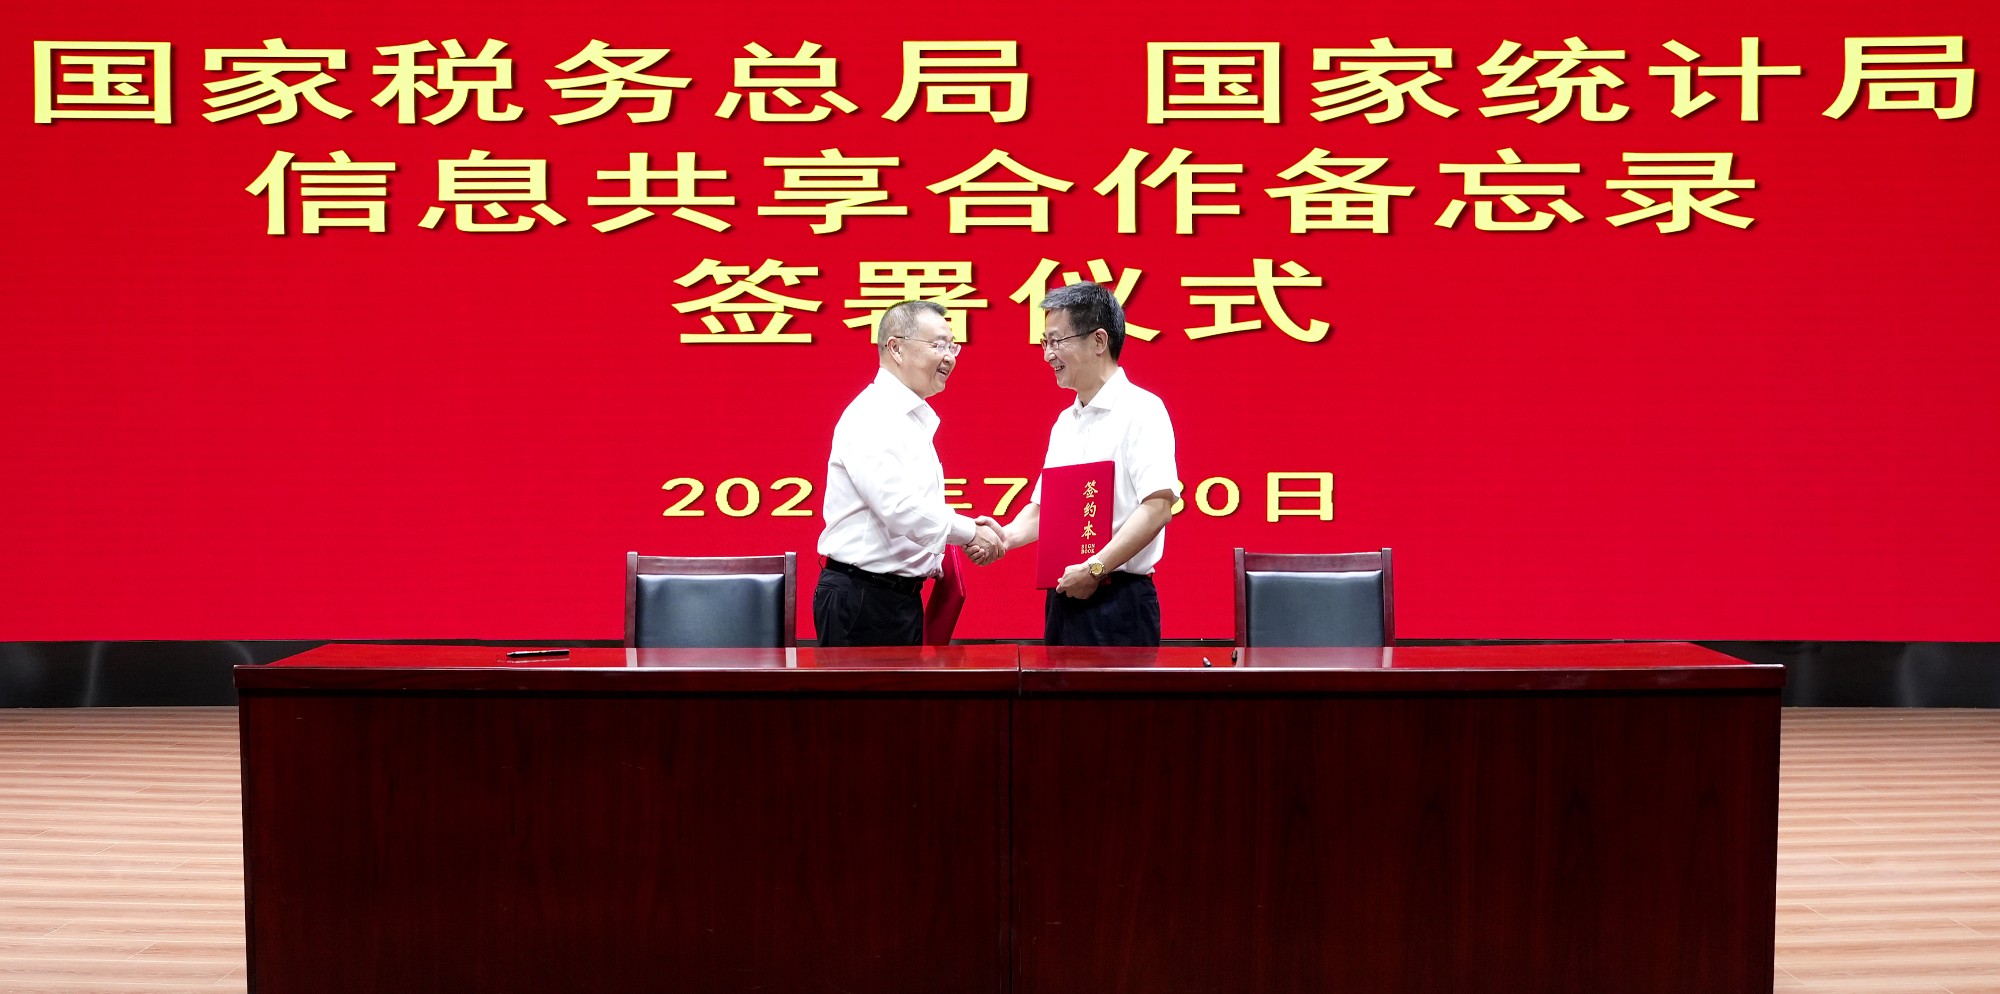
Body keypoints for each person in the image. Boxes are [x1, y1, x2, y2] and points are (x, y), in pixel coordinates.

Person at [987, 282, 1180, 646]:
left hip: (1119, 600)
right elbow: (1046, 510)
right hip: (1065, 595)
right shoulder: (1065, 422)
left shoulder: (1142, 410)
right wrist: (1004, 538)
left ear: (1098, 341)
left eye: (1057, 341)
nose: (1048, 355)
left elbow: (1157, 508)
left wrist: (1095, 567)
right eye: (1045, 342)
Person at [815, 300, 1006, 646]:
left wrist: (954, 543)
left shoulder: (908, 418)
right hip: (864, 600)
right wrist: (969, 533)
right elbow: (899, 507)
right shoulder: (873, 415)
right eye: (939, 345)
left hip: (893, 598)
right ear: (896, 348)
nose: (949, 357)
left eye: (952, 347)